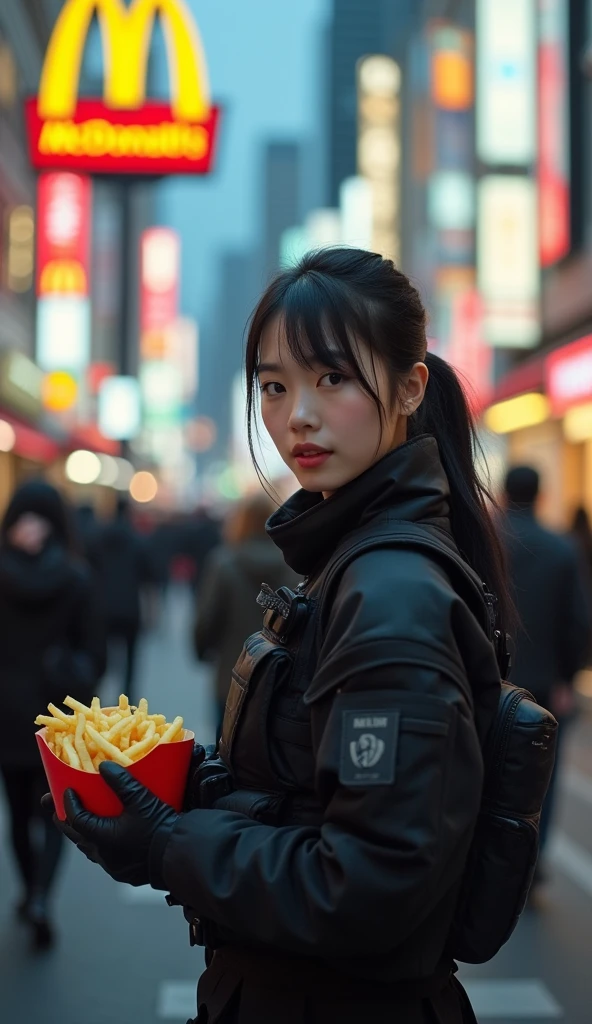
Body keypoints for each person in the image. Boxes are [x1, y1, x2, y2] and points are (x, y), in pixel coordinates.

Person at [48, 248, 510, 1023]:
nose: (297, 413)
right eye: (273, 385)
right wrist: (184, 785)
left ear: (409, 387)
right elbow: (315, 799)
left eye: (332, 378)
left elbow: (370, 882)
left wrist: (169, 846)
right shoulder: (351, 558)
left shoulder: (388, 594)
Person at [0, 480, 105, 949]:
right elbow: (95, 655)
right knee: (55, 813)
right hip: (56, 715)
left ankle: (28, 891)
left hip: (5, 712)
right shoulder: (76, 577)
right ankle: (42, 895)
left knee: (17, 813)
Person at [502, 467, 591, 864]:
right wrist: (567, 678)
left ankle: (488, 856)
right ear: (540, 496)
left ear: (504, 495)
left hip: (493, 679)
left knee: (489, 768)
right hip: (543, 683)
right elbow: (577, 621)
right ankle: (529, 861)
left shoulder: (487, 541)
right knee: (543, 777)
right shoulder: (561, 549)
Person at [194, 491, 300, 737]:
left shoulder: (224, 563)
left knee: (225, 751)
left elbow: (207, 620)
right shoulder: (295, 564)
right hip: (281, 680)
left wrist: (202, 650)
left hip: (233, 677)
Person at [88, 497, 151, 704]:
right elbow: (146, 577)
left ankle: (95, 697)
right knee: (130, 660)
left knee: (100, 656)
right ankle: (127, 701)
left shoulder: (97, 538)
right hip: (129, 607)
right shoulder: (136, 539)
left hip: (102, 607)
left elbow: (89, 571)